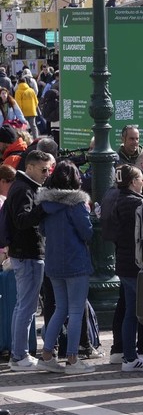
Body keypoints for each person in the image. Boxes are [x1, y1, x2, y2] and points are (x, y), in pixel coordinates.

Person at [35, 161, 94, 374]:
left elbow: (42, 229)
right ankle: (72, 359)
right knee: (76, 310)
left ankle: (47, 354)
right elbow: (86, 232)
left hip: (53, 261)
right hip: (75, 261)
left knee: (60, 309)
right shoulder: (76, 204)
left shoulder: (46, 204)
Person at [5, 149, 55, 371]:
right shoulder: (24, 189)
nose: (47, 173)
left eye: (49, 169)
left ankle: (19, 353)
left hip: (24, 253)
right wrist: (43, 208)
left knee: (22, 306)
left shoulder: (22, 187)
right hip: (28, 253)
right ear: (31, 167)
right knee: (26, 307)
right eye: (44, 169)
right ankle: (19, 355)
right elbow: (22, 221)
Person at [111, 165, 143, 373]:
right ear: (133, 182)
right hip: (138, 264)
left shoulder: (115, 200)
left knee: (131, 312)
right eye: (141, 178)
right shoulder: (140, 204)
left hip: (122, 263)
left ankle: (129, 357)